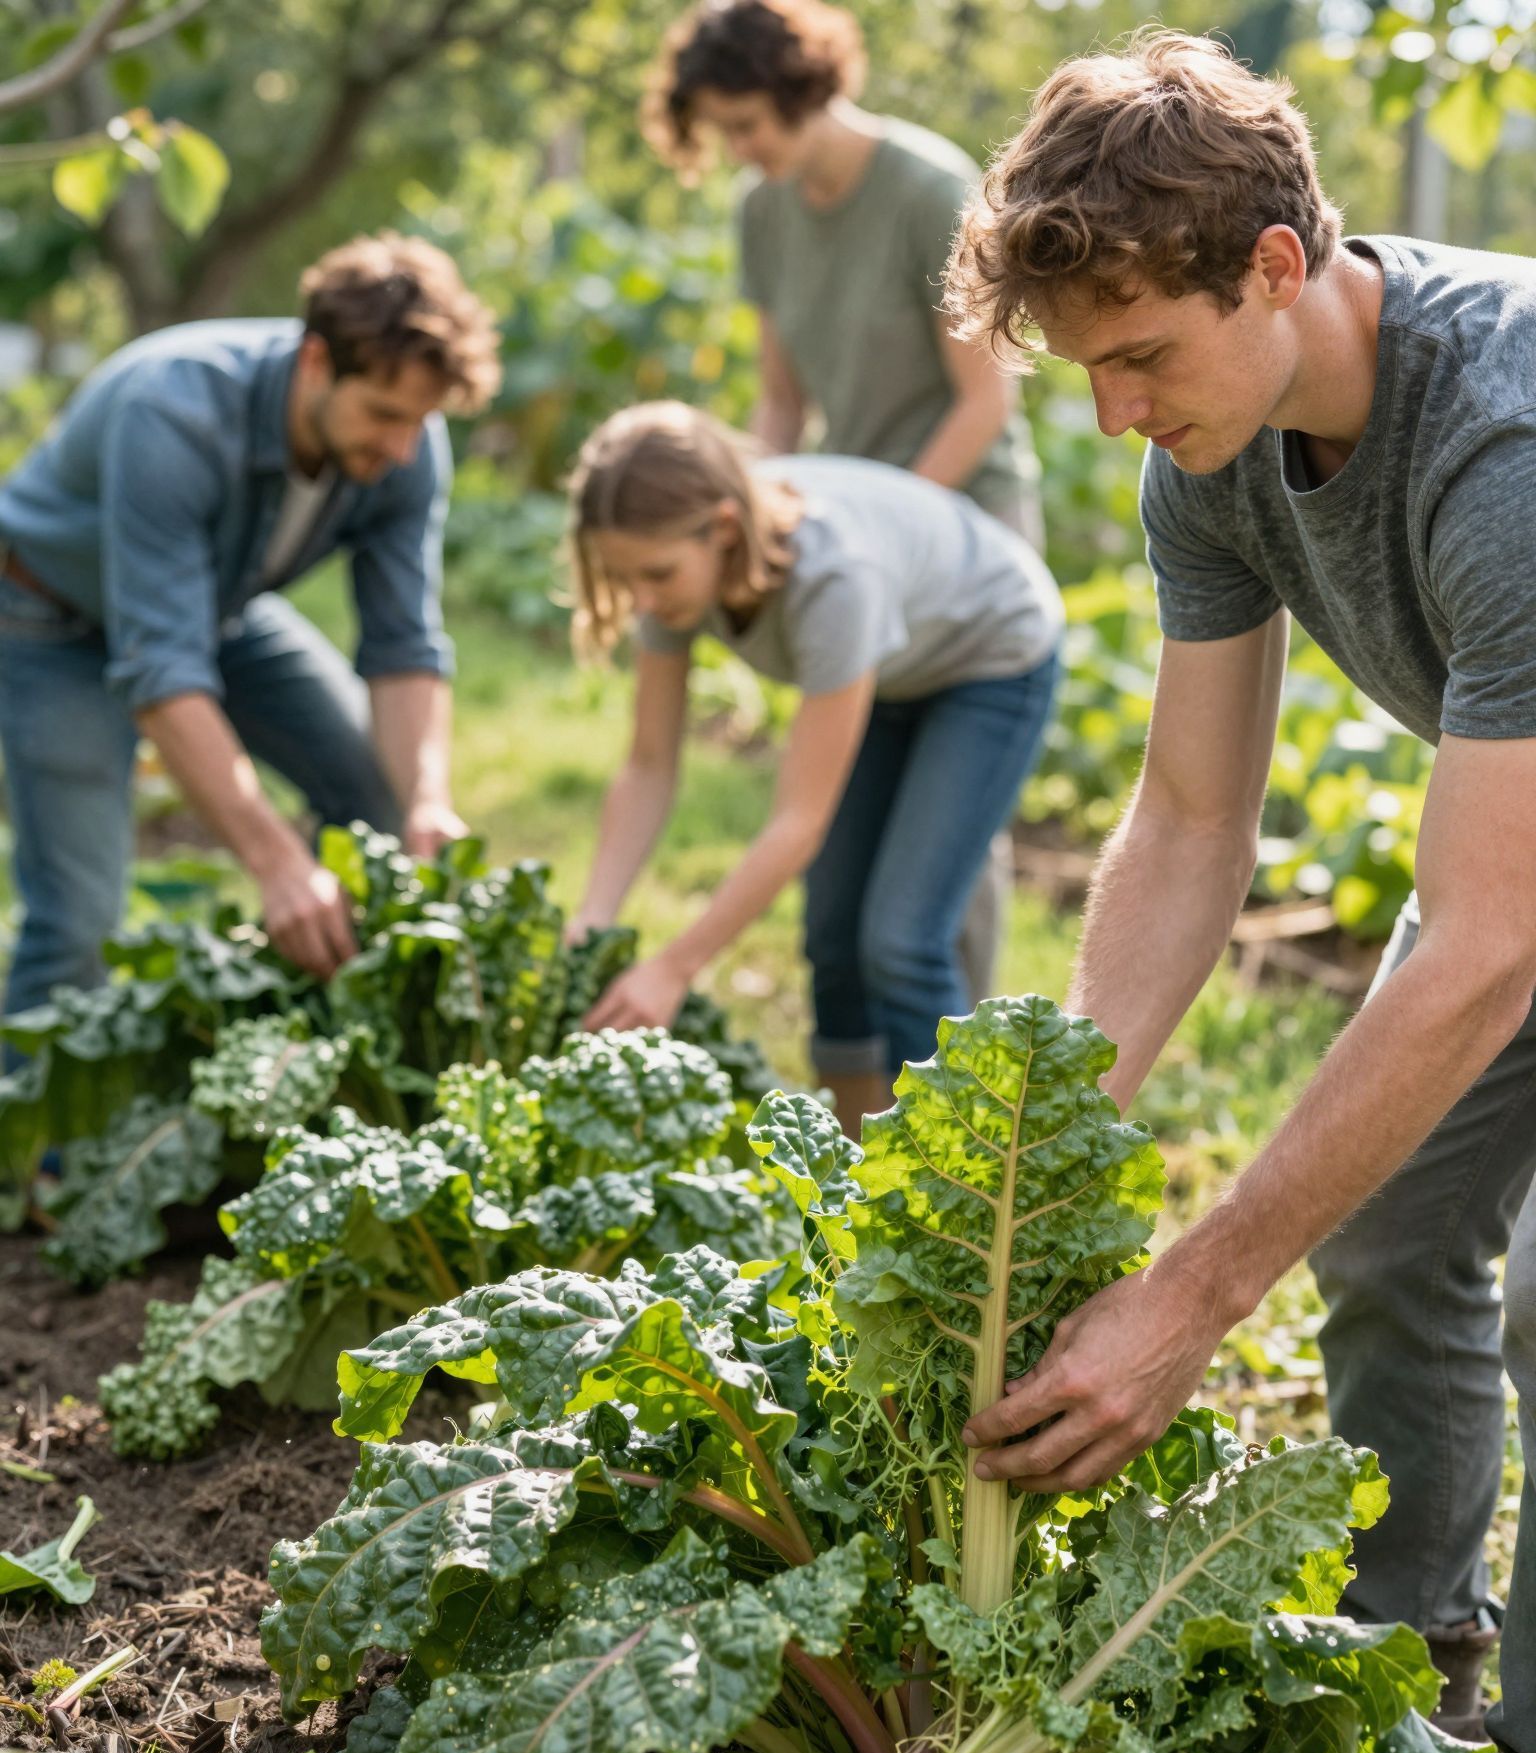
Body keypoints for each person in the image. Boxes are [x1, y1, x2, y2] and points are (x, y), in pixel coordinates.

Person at [943, 27, 1536, 1753]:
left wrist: (1192, 1300)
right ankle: (1398, 1671)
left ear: (1276, 266)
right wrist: (1040, 1174)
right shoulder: (1213, 442)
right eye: (1085, 365)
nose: (1112, 413)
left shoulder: (1504, 448)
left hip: (1511, 884)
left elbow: (1480, 946)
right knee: (1389, 1234)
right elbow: (1191, 820)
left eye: (1138, 358)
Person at [645, 0, 1042, 1001]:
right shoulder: (763, 210)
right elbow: (782, 400)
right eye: (724, 131)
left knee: (951, 830)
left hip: (960, 511)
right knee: (851, 817)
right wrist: (755, 511)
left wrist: (891, 524)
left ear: (804, 88)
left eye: (749, 123)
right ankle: (866, 1046)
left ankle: (967, 1032)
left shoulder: (926, 188)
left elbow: (983, 399)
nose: (741, 148)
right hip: (839, 520)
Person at [0, 232, 501, 1008]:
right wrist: (275, 863)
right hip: (47, 618)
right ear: (315, 363)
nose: (405, 446)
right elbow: (161, 673)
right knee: (80, 920)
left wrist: (429, 796)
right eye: (384, 415)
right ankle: (31, 1123)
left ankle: (337, 1054)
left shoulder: (408, 446)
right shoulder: (173, 410)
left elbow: (403, 647)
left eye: (420, 421)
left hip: (217, 608)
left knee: (383, 814)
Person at [563, 400, 1063, 1132]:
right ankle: (853, 1175)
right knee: (832, 935)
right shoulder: (670, 570)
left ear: (725, 529)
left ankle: (974, 1187)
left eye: (657, 575)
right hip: (889, 664)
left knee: (901, 939)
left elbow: (798, 823)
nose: (641, 598)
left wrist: (674, 966)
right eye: (624, 576)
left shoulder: (832, 579)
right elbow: (647, 766)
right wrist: (593, 917)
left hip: (991, 655)